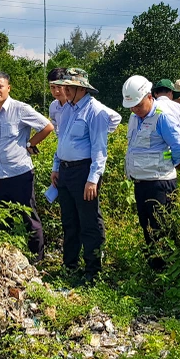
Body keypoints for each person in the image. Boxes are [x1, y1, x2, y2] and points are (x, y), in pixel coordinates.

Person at [49, 68, 112, 282]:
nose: (62, 90)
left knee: (89, 222)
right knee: (69, 220)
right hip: (66, 171)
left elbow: (100, 149)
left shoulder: (96, 111)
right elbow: (62, 140)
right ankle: (70, 265)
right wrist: (56, 166)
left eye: (67, 87)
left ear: (79, 89)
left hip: (84, 171)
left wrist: (93, 179)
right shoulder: (68, 109)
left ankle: (93, 271)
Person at [0, 71, 54, 261]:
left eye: (0, 86)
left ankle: (37, 260)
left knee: (29, 217)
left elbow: (47, 126)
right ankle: (6, 259)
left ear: (8, 87)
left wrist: (30, 144)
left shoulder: (20, 109)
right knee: (1, 220)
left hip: (19, 174)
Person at [122, 75, 180, 271]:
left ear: (149, 97)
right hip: (141, 183)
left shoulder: (162, 117)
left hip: (160, 184)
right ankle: (153, 267)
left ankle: (166, 271)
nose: (135, 109)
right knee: (147, 226)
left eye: (138, 105)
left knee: (162, 228)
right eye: (131, 106)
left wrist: (167, 166)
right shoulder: (134, 118)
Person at [49, 67, 122, 135]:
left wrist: (97, 133)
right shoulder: (58, 106)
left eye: (59, 87)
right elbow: (55, 124)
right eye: (52, 87)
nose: (56, 91)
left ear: (82, 88)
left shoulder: (92, 107)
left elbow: (115, 118)